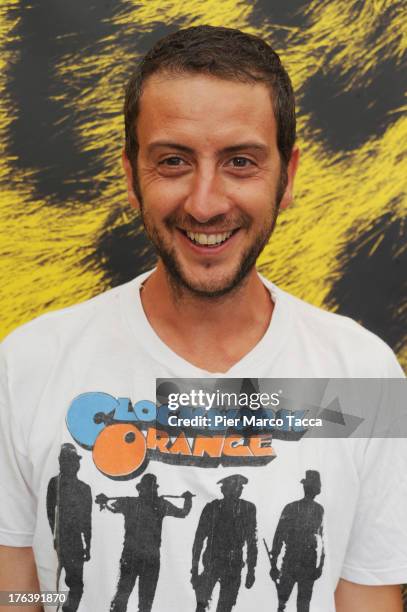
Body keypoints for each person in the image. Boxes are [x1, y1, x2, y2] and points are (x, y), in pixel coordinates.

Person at [0, 24, 406, 612]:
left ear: (288, 178)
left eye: (241, 161)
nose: (206, 202)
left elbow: (366, 597)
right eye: (173, 161)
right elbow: (15, 591)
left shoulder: (365, 376)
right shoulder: (25, 364)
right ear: (132, 176)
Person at [96, 474, 193, 612]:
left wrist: (103, 502)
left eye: (152, 489)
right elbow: (183, 512)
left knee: (139, 602)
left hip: (143, 558)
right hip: (139, 557)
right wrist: (103, 501)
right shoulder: (146, 504)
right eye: (149, 488)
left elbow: (183, 513)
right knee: (128, 601)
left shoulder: (152, 504)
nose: (151, 491)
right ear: (141, 490)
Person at [191, 474, 257, 612]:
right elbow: (198, 539)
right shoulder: (212, 508)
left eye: (239, 488)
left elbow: (252, 542)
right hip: (212, 562)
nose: (237, 490)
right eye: (233, 487)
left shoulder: (248, 508)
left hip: (234, 565)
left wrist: (251, 570)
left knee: (225, 607)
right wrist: (195, 570)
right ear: (224, 490)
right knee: (201, 604)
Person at [266, 470, 324, 612]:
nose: (309, 489)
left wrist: (320, 566)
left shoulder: (318, 510)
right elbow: (279, 537)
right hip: (293, 561)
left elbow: (323, 540)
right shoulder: (292, 508)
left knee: (301, 605)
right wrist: (273, 564)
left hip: (307, 562)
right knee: (283, 602)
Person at [46, 443, 92, 612]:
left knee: (74, 585)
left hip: (71, 543)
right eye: (69, 460)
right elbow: (50, 512)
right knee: (58, 586)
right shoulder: (55, 483)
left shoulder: (84, 489)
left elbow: (87, 521)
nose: (74, 464)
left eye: (74, 461)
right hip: (62, 542)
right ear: (61, 462)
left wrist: (88, 545)